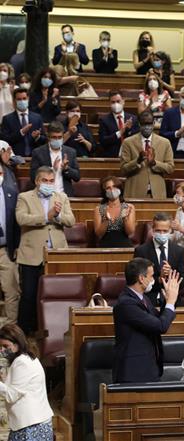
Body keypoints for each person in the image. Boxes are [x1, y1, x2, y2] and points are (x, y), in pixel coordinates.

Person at [16, 166, 75, 333]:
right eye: (45, 180)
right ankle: (25, 333)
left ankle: (52, 330)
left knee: (54, 295)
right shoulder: (24, 197)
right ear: (37, 181)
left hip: (56, 254)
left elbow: (71, 220)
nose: (48, 184)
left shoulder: (61, 197)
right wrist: (45, 217)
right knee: (29, 295)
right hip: (32, 254)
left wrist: (57, 216)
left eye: (51, 181)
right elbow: (21, 218)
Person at [112, 257, 181, 383]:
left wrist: (168, 301)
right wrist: (171, 301)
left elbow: (159, 319)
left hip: (149, 369)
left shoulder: (143, 299)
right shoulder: (126, 303)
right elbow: (161, 326)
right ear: (141, 278)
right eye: (151, 276)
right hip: (133, 374)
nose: (153, 280)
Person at [0, 323, 54, 439]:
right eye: (0, 347)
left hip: (32, 427)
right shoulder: (25, 359)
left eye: (5, 346)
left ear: (17, 344)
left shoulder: (22, 363)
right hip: (28, 425)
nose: (2, 350)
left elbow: (11, 395)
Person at [133, 212, 184, 307]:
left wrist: (171, 275)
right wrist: (159, 279)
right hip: (148, 302)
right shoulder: (141, 251)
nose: (162, 234)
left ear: (170, 230)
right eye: (158, 230)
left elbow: (183, 282)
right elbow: (138, 281)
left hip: (172, 301)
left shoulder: (178, 251)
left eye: (165, 231)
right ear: (153, 230)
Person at [120, 111, 175, 199]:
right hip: (134, 191)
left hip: (157, 193)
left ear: (153, 123)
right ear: (139, 124)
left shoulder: (165, 142)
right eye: (144, 124)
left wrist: (154, 163)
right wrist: (137, 161)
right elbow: (123, 169)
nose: (147, 127)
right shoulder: (128, 142)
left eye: (149, 124)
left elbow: (170, 168)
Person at [29, 121, 80, 197]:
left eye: (59, 137)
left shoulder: (71, 152)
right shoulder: (38, 152)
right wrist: (52, 169)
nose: (57, 140)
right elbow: (33, 177)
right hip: (44, 196)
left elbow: (77, 177)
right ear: (48, 136)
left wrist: (66, 169)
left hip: (65, 196)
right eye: (54, 137)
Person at [0, 163, 20, 324]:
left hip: (5, 250)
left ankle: (9, 332)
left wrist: (17, 246)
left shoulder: (11, 194)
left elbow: (17, 223)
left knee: (11, 291)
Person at [1, 88, 45, 157]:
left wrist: (37, 137)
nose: (22, 101)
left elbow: (44, 139)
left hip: (34, 157)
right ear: (14, 101)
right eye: (19, 99)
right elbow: (5, 140)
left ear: (28, 99)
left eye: (24, 98)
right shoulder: (7, 119)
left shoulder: (37, 118)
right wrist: (21, 132)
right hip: (15, 157)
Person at [93, 176, 135, 248]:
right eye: (108, 188)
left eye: (114, 187)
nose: (112, 190)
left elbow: (130, 232)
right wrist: (106, 220)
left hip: (124, 246)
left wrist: (125, 219)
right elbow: (99, 234)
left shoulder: (128, 207)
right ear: (104, 191)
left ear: (119, 188)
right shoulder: (99, 208)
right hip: (105, 246)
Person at [98, 90, 139, 158]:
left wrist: (128, 130)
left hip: (130, 155)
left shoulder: (133, 119)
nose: (116, 104)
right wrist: (120, 132)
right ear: (109, 104)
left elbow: (137, 139)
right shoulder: (104, 120)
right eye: (113, 102)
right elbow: (103, 141)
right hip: (112, 157)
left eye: (118, 101)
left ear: (123, 101)